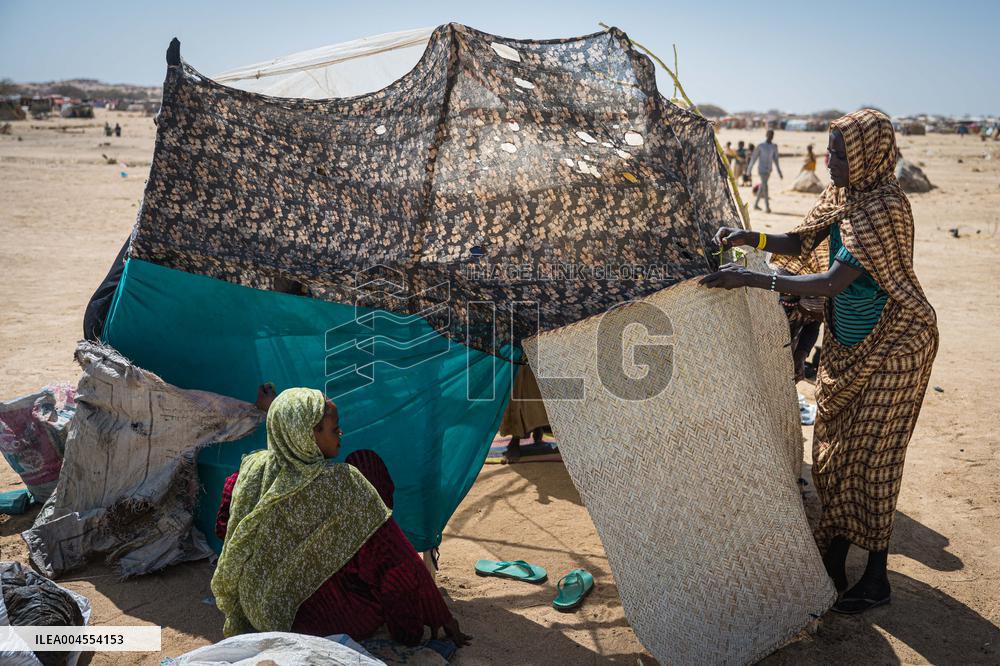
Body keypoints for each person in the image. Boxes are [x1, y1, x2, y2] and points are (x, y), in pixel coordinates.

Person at [701, 109, 938, 614]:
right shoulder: (842, 197)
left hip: (896, 348)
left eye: (840, 154)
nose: (829, 161)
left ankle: (876, 577)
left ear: (870, 156)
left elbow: (831, 282)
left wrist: (753, 280)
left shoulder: (885, 209)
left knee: (871, 461)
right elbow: (801, 242)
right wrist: (751, 238)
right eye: (830, 150)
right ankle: (834, 555)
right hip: (846, 348)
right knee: (831, 453)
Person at [211, 385, 470, 646]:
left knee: (364, 507)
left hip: (258, 610)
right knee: (371, 482)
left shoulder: (250, 471)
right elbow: (398, 557)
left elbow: (224, 529)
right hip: (309, 621)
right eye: (335, 429)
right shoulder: (343, 484)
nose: (340, 435)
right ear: (306, 434)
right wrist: (439, 613)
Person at [499, 365, 549, 462]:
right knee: (516, 393)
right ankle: (515, 438)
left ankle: (537, 427)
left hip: (538, 357)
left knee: (536, 392)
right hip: (516, 358)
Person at [746, 129, 783, 212]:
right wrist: (749, 170)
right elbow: (753, 158)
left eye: (772, 135)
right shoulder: (760, 145)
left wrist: (779, 172)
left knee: (762, 186)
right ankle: (767, 207)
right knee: (765, 186)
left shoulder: (774, 146)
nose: (771, 136)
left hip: (769, 170)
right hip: (761, 170)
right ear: (766, 135)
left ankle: (755, 205)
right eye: (769, 134)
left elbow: (776, 160)